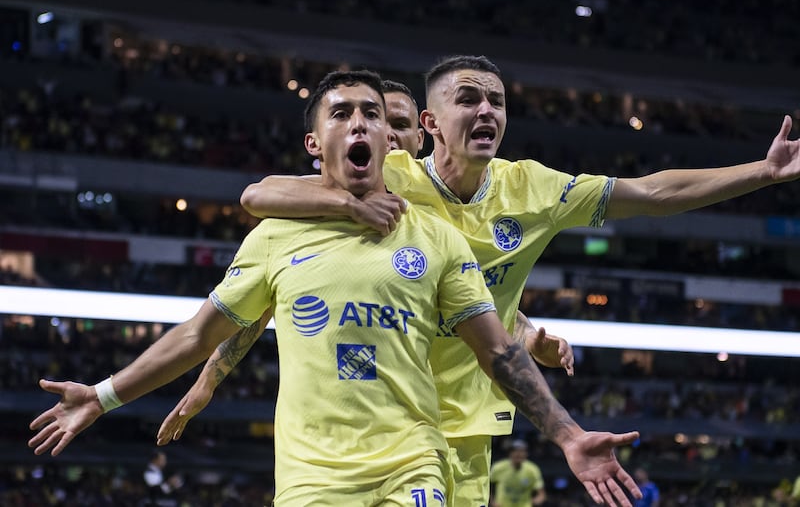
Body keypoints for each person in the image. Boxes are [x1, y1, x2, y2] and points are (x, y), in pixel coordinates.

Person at [28, 70, 641, 507]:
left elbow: (497, 348)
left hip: (412, 463)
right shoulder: (275, 236)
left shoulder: (435, 237)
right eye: (342, 113)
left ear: (391, 140)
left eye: (373, 114)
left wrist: (567, 434)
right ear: (314, 145)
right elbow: (197, 335)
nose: (362, 123)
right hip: (312, 477)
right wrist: (104, 396)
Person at [227, 55, 800, 505]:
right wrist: (351, 209)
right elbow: (264, 194)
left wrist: (764, 171)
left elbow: (651, 193)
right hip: (387, 418)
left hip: (470, 425)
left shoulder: (535, 189)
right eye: (469, 99)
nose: (487, 112)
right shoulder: (388, 173)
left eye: (497, 102)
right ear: (428, 124)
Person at [489, 439, 545, 507]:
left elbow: (541, 494)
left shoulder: (533, 470)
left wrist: (533, 502)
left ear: (526, 454)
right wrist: (492, 502)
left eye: (522, 451)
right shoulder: (498, 467)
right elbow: (487, 487)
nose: (518, 454)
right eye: (515, 451)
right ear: (510, 453)